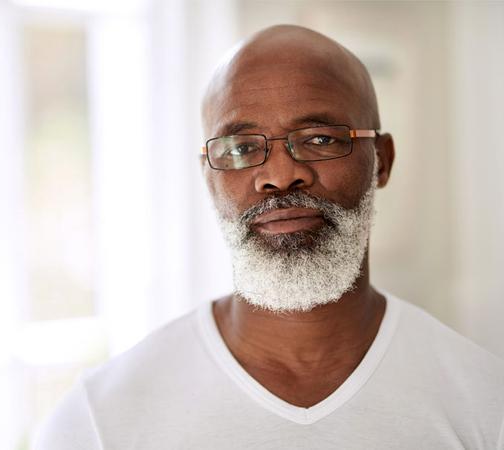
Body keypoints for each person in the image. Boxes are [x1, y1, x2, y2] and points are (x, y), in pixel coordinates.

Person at [34, 25, 504, 449]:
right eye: (240, 148)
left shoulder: (484, 403)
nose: (280, 175)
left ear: (381, 160)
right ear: (209, 178)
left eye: (320, 138)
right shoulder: (100, 421)